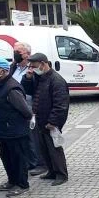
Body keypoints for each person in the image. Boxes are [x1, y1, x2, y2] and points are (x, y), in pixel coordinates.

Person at [0, 57, 33, 197]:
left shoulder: (11, 88)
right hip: (3, 130)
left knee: (18, 158)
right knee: (6, 156)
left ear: (4, 71)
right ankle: (12, 181)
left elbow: (25, 110)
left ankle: (22, 184)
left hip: (15, 130)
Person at [22, 53, 69, 186]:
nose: (31, 69)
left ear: (43, 64)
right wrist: (27, 78)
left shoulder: (56, 80)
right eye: (30, 66)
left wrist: (53, 122)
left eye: (34, 66)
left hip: (51, 122)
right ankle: (51, 171)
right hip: (40, 119)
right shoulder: (39, 77)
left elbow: (61, 104)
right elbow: (29, 91)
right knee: (44, 149)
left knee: (54, 148)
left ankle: (61, 174)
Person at [9, 42, 44, 176]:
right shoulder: (13, 67)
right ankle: (29, 161)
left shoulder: (34, 69)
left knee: (34, 136)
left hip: (30, 106)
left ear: (27, 54)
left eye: (18, 51)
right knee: (22, 136)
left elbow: (37, 88)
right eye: (14, 51)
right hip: (15, 108)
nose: (15, 54)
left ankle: (41, 163)